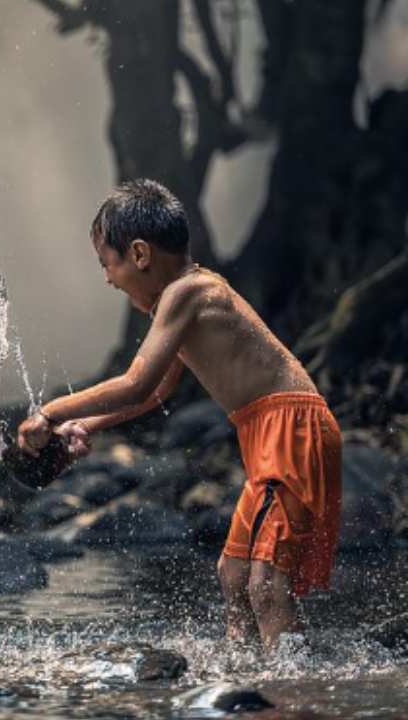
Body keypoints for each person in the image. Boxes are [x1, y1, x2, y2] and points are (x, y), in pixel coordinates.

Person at [17, 179, 342, 651]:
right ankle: (244, 675)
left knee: (267, 583)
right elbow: (154, 394)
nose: (108, 278)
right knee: (233, 574)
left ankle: (293, 693)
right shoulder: (184, 299)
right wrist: (87, 424)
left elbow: (136, 382)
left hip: (290, 430)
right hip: (269, 432)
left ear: (141, 255)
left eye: (107, 263)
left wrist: (48, 412)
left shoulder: (188, 292)